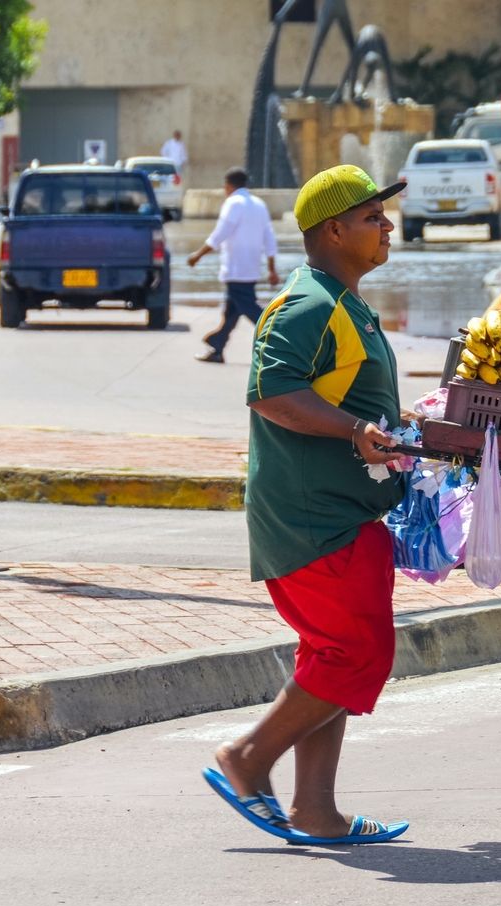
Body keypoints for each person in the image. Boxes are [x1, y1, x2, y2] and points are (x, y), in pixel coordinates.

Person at [201, 164, 414, 846]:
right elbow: (270, 391)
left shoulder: (340, 301)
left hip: (340, 511)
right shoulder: (309, 304)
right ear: (335, 229)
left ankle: (315, 812)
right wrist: (356, 430)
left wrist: (392, 426)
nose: (387, 226)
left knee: (333, 656)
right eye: (373, 217)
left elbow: (344, 396)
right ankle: (247, 757)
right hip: (312, 516)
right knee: (355, 655)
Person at [187, 167, 279, 364]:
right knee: (231, 311)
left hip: (236, 269)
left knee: (251, 310)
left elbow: (220, 234)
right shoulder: (259, 204)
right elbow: (269, 238)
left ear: (228, 186)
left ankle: (279, 339)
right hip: (251, 268)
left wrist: (198, 255)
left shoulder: (233, 203)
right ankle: (217, 347)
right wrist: (272, 268)